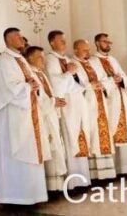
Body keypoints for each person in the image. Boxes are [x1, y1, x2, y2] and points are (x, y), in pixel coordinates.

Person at [0, 28, 47, 206]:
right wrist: (28, 87)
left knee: (29, 152)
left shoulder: (20, 59)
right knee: (15, 155)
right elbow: (7, 89)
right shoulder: (4, 61)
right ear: (9, 40)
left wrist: (33, 86)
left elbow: (33, 81)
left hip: (27, 114)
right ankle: (14, 197)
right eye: (18, 37)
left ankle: (32, 195)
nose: (22, 39)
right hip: (11, 118)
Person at [44, 31, 89, 191]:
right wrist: (69, 73)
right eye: (61, 40)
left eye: (64, 40)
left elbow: (82, 81)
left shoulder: (68, 59)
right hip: (65, 105)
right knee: (69, 140)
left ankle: (83, 180)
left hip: (77, 102)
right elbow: (55, 85)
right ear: (52, 42)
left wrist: (72, 75)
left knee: (79, 137)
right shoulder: (50, 60)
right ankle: (73, 182)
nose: (64, 43)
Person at [70, 39, 115, 180]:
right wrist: (91, 86)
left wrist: (103, 84)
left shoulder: (93, 62)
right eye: (84, 50)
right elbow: (75, 85)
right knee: (91, 134)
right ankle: (95, 175)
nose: (87, 52)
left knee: (102, 133)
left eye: (88, 49)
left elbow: (105, 78)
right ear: (76, 50)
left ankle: (106, 173)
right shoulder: (73, 64)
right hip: (87, 104)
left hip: (100, 102)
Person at [26, 46, 68, 192]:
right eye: (39, 57)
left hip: (50, 115)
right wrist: (53, 102)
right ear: (30, 58)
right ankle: (49, 188)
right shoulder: (30, 74)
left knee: (55, 147)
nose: (43, 60)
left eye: (43, 57)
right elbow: (37, 97)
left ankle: (57, 186)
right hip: (42, 118)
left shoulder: (41, 73)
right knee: (48, 148)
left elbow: (48, 93)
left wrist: (55, 100)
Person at [93, 33, 127, 176]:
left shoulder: (113, 60)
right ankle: (112, 169)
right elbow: (96, 80)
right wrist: (111, 81)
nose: (108, 44)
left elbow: (124, 76)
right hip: (108, 102)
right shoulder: (93, 61)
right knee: (110, 132)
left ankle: (124, 169)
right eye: (104, 41)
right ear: (97, 43)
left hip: (120, 99)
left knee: (122, 132)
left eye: (109, 41)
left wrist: (121, 79)